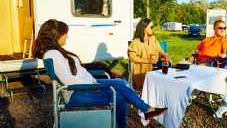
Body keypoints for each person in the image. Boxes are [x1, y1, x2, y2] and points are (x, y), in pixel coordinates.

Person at [33, 19, 167, 128]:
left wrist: (93, 82)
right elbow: (69, 81)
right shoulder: (53, 54)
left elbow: (75, 75)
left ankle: (146, 110)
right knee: (120, 95)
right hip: (77, 92)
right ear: (56, 35)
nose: (67, 36)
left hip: (87, 85)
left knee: (121, 83)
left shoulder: (56, 52)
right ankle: (146, 110)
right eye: (65, 33)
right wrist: (96, 86)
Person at [128, 18, 170, 90]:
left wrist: (165, 55)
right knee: (145, 89)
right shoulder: (135, 42)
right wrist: (148, 61)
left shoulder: (153, 39)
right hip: (141, 71)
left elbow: (159, 49)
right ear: (144, 28)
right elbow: (132, 58)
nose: (153, 29)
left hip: (154, 68)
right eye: (151, 27)